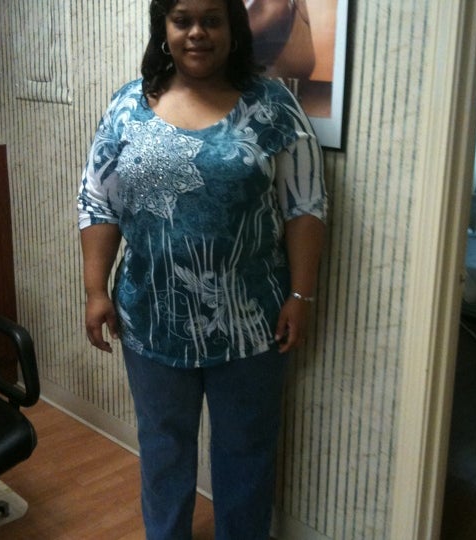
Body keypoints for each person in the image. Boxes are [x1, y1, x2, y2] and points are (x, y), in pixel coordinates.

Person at [77, 0, 327, 538]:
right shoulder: (128, 106)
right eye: (182, 20)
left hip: (251, 323)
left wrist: (301, 296)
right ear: (164, 29)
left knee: (247, 453)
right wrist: (96, 290)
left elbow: (305, 206)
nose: (197, 33)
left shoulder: (273, 106)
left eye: (211, 20)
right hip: (152, 319)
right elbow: (98, 202)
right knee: (163, 451)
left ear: (232, 29)